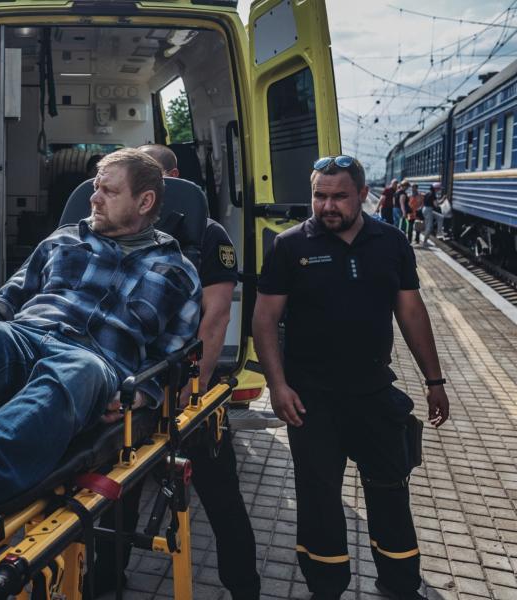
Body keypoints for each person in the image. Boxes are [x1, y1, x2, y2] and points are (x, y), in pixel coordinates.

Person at [0, 148, 202, 514]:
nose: (93, 197)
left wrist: (141, 394)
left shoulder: (179, 274)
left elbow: (172, 358)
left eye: (108, 191)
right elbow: (9, 297)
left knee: (77, 371)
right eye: (95, 187)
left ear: (145, 201)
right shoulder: (61, 240)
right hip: (24, 335)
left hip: (94, 361)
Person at [252, 155, 450, 600]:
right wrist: (277, 386)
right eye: (319, 195)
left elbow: (411, 311)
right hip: (311, 401)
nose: (327, 206)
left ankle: (400, 586)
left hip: (374, 393)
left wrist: (434, 381)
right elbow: (264, 321)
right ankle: (326, 588)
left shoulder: (392, 242)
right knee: (319, 500)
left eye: (339, 196)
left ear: (363, 195)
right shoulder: (289, 246)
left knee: (390, 493)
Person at [93, 144, 260, 599]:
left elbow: (216, 316)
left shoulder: (207, 236)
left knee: (220, 494)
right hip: (132, 388)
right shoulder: (111, 234)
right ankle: (108, 578)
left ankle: (243, 586)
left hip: (186, 389)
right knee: (118, 494)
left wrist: (193, 387)